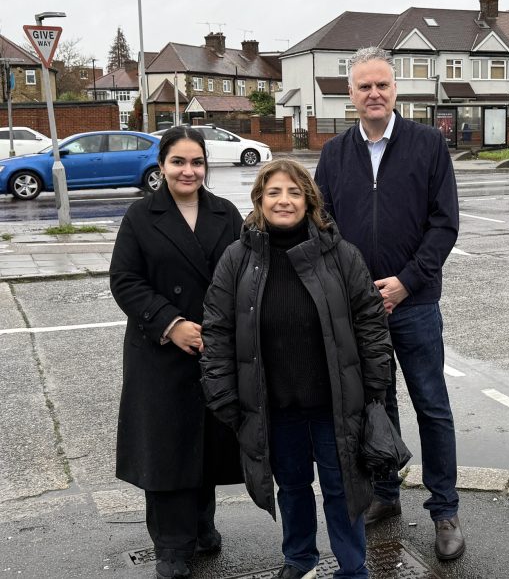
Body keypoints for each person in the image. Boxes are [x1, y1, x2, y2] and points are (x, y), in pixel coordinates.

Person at [200, 159, 393, 579]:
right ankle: (299, 559)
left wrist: (376, 389)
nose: (283, 201)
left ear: (309, 199)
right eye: (274, 193)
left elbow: (370, 322)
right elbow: (217, 330)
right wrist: (224, 395)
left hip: (335, 403)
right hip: (274, 405)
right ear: (259, 201)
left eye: (293, 192)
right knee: (291, 487)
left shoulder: (341, 255)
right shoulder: (237, 259)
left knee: (343, 487)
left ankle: (352, 566)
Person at [314, 46, 464, 560]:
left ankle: (445, 510)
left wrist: (405, 281)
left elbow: (444, 224)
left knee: (432, 406)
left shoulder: (427, 145)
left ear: (395, 90)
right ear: (350, 94)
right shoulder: (334, 155)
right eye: (364, 87)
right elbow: (322, 226)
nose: (374, 94)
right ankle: (386, 494)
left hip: (416, 303)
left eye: (382, 85)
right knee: (377, 406)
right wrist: (357, 288)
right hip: (362, 309)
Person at [109, 126, 243, 579]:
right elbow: (125, 280)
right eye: (178, 162)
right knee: (166, 450)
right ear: (162, 165)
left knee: (207, 443)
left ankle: (203, 527)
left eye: (196, 162)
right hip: (159, 351)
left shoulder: (226, 212)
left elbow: (248, 272)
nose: (188, 171)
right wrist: (172, 324)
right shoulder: (141, 216)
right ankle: (171, 547)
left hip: (214, 347)